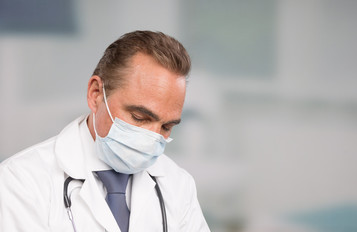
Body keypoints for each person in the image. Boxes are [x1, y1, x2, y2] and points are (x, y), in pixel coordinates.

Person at [0, 31, 210, 232]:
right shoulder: (21, 181)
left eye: (166, 127)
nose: (152, 138)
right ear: (95, 94)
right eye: (139, 117)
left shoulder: (178, 184)